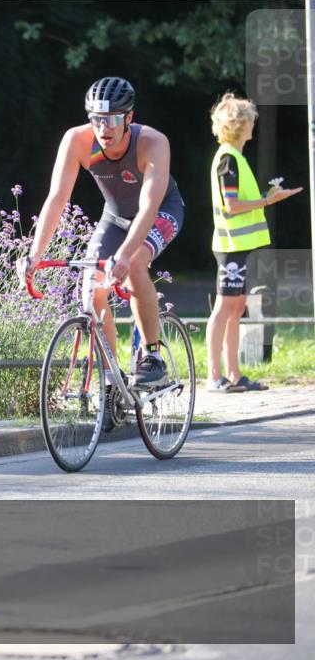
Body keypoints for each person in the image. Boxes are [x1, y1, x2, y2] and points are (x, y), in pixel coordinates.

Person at [17, 77, 185, 430]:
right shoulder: (77, 140)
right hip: (114, 217)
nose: (103, 128)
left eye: (111, 119)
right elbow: (56, 199)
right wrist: (34, 255)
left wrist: (124, 255)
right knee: (91, 292)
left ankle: (152, 356)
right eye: (95, 119)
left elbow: (149, 206)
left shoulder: (152, 142)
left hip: (160, 211)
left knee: (137, 261)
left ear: (129, 117)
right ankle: (111, 383)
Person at [205, 93, 302, 392]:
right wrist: (267, 199)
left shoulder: (234, 157)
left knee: (236, 309)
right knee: (224, 308)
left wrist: (266, 199)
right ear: (238, 125)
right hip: (230, 246)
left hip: (238, 247)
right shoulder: (228, 161)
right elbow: (231, 207)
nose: (253, 126)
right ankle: (214, 376)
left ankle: (234, 375)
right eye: (249, 121)